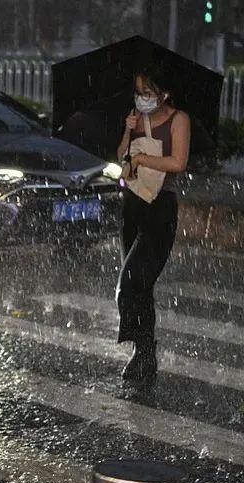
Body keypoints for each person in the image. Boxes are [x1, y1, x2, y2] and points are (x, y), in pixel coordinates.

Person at [115, 65, 190, 386]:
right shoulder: (136, 118)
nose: (141, 98)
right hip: (132, 205)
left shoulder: (179, 119)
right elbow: (122, 158)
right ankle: (144, 352)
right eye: (138, 92)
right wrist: (127, 131)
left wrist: (142, 159)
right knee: (141, 287)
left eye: (147, 93)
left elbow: (178, 162)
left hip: (160, 208)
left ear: (164, 94)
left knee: (131, 281)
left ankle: (143, 348)